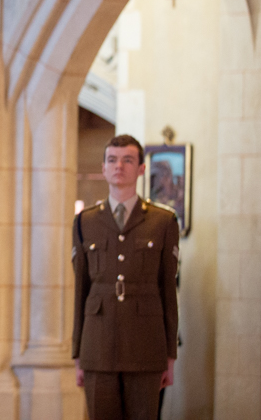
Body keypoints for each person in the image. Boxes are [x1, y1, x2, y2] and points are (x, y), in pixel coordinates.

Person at [72, 134, 179, 420]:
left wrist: (169, 357)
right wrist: (78, 354)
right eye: (112, 160)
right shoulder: (86, 221)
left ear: (141, 169)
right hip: (97, 346)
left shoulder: (163, 221)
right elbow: (80, 290)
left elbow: (168, 291)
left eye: (128, 160)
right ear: (104, 168)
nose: (119, 166)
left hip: (146, 348)